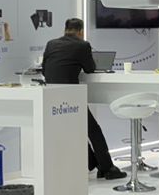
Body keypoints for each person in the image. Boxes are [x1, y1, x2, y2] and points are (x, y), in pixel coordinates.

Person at [40, 18, 127, 181]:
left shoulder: (51, 44)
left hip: (51, 96)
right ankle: (108, 168)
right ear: (81, 31)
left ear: (65, 29)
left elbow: (44, 70)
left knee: (74, 129)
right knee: (93, 130)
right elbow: (90, 68)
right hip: (71, 96)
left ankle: (94, 163)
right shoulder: (82, 45)